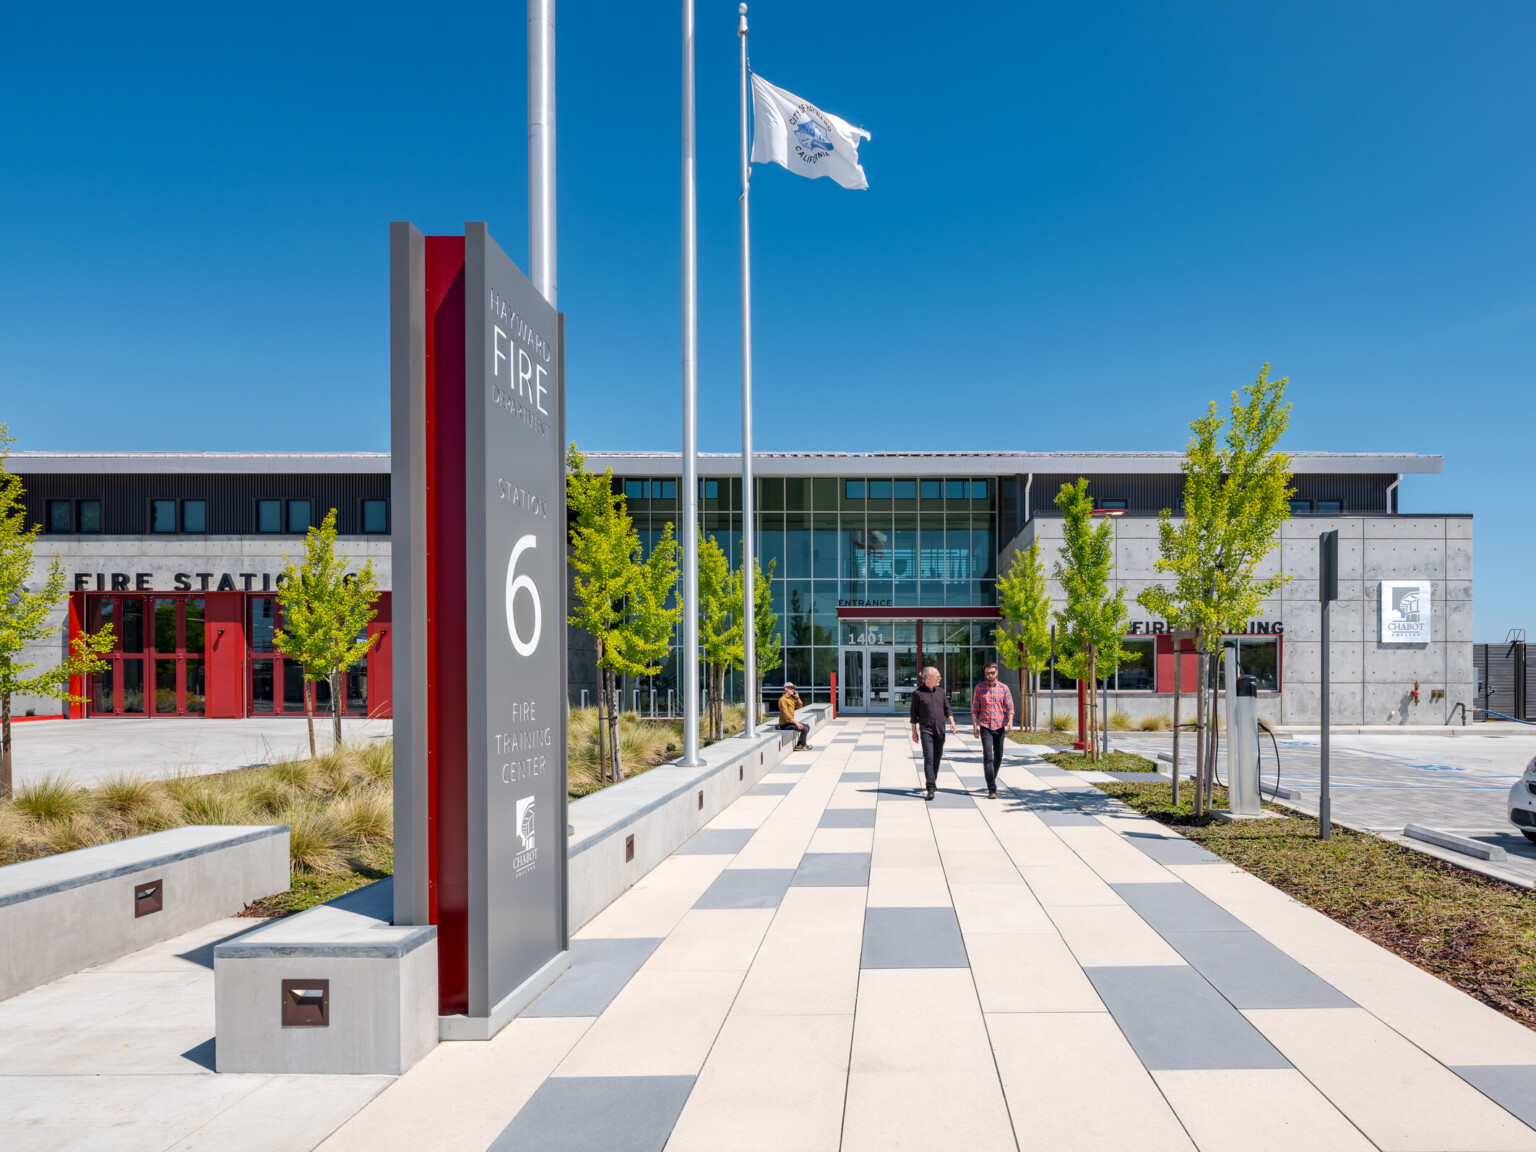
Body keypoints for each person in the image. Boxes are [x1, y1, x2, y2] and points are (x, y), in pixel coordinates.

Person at [909, 665, 956, 800]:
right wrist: (914, 732)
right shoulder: (917, 694)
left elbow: (948, 709)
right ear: (928, 678)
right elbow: (913, 715)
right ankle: (930, 787)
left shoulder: (940, 692)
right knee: (929, 758)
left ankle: (932, 780)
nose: (940, 678)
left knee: (937, 758)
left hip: (940, 731)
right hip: (926, 730)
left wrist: (952, 723)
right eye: (938, 677)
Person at [971, 662, 1015, 799]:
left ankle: (991, 777)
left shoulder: (1004, 688)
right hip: (985, 727)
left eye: (992, 673)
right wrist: (975, 727)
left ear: (997, 672)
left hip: (999, 726)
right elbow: (975, 709)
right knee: (988, 757)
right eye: (988, 673)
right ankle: (992, 789)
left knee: (999, 757)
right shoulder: (979, 688)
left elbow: (1010, 707)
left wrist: (1010, 722)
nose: (990, 675)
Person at [776, 682, 812, 750]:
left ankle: (799, 745)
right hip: (785, 724)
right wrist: (796, 723)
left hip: (790, 722)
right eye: (791, 688)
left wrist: (797, 697)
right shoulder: (782, 700)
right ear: (786, 689)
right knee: (804, 729)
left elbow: (799, 705)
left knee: (807, 727)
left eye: (793, 688)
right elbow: (786, 714)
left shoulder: (790, 698)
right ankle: (804, 745)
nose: (793, 689)